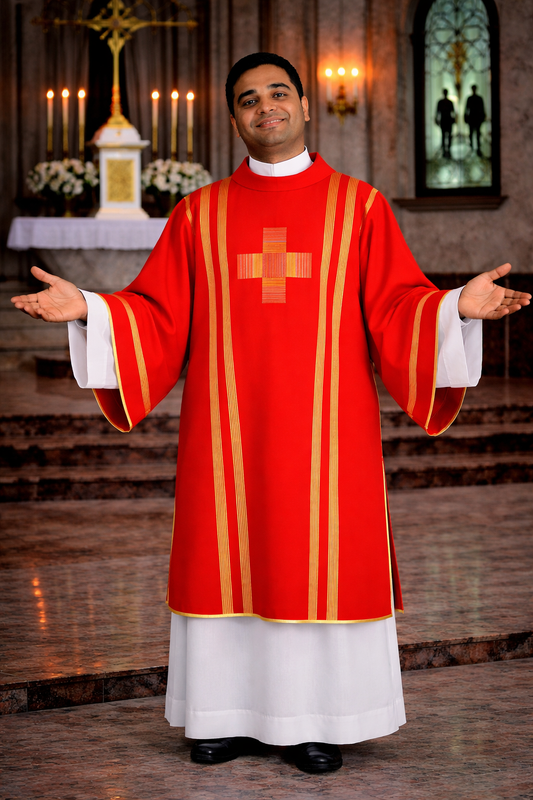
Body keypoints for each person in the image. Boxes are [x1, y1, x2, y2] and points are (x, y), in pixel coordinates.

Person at [11, 53, 530, 774]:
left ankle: (317, 720)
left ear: (306, 106)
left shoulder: (359, 207)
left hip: (329, 435)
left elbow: (395, 306)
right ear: (234, 119)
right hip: (225, 436)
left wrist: (452, 309)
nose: (265, 107)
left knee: (312, 555)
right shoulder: (200, 213)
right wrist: (92, 311)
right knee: (225, 559)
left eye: (278, 93)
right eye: (248, 100)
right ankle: (221, 716)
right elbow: (156, 313)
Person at [464, 84, 486, 156]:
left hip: (476, 118)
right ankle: (472, 147)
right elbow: (467, 109)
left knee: (477, 134)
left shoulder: (478, 98)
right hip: (473, 118)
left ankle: (477, 148)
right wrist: (466, 118)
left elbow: (482, 109)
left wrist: (482, 117)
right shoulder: (471, 98)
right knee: (472, 133)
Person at [435, 88, 456, 158]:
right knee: (444, 135)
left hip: (447, 120)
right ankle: (445, 149)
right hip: (444, 120)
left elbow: (453, 112)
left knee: (447, 135)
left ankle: (448, 149)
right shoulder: (441, 102)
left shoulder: (448, 102)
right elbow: (437, 112)